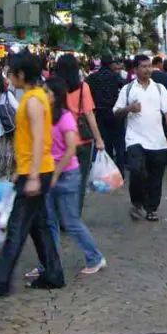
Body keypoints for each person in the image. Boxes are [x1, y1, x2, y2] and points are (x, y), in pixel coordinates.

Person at [0, 53, 65, 296]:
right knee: (39, 226)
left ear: (21, 74)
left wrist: (32, 175)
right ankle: (53, 274)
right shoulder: (33, 97)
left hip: (36, 171)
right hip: (34, 169)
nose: (8, 77)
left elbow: (39, 139)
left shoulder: (33, 100)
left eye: (10, 72)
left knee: (16, 228)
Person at [43, 76, 106, 275]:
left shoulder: (65, 118)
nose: (43, 95)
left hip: (66, 174)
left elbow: (70, 150)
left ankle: (95, 257)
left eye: (47, 92)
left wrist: (56, 173)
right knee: (49, 221)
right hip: (49, 172)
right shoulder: (45, 116)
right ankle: (49, 263)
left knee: (70, 221)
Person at [113, 54, 167, 222]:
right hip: (135, 139)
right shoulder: (128, 89)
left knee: (156, 177)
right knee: (136, 170)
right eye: (143, 66)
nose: (147, 69)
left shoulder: (159, 89)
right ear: (135, 69)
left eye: (149, 66)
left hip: (157, 141)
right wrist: (129, 108)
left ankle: (152, 208)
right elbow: (116, 112)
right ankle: (137, 202)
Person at [54, 53, 106, 214]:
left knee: (58, 178)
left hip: (58, 142)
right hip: (82, 141)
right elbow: (90, 115)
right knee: (80, 180)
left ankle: (60, 214)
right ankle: (73, 215)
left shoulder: (53, 89)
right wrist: (99, 140)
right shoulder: (83, 87)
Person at [88, 54, 126, 172]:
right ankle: (120, 170)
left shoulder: (92, 77)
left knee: (104, 142)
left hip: (99, 114)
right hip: (115, 113)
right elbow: (125, 87)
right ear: (111, 64)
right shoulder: (116, 77)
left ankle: (107, 170)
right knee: (119, 144)